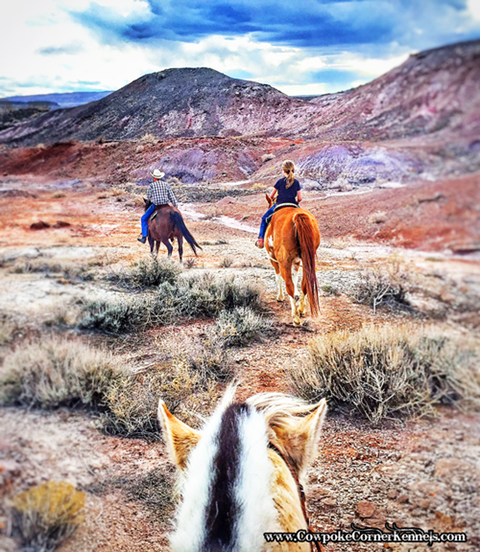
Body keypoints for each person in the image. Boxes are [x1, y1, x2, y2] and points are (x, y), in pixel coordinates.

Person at [255, 160, 302, 248]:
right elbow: (300, 198)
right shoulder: (296, 182)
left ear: (283, 170)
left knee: (264, 219)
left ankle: (261, 239)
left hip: (279, 204)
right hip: (293, 204)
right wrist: (297, 202)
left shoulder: (279, 182)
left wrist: (274, 198)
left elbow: (271, 196)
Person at [138, 168, 179, 243]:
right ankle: (176, 233)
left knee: (143, 218)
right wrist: (175, 206)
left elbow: (149, 198)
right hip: (166, 205)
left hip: (156, 206)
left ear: (154, 178)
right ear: (160, 177)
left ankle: (144, 237)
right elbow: (171, 196)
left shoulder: (151, 186)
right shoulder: (166, 185)